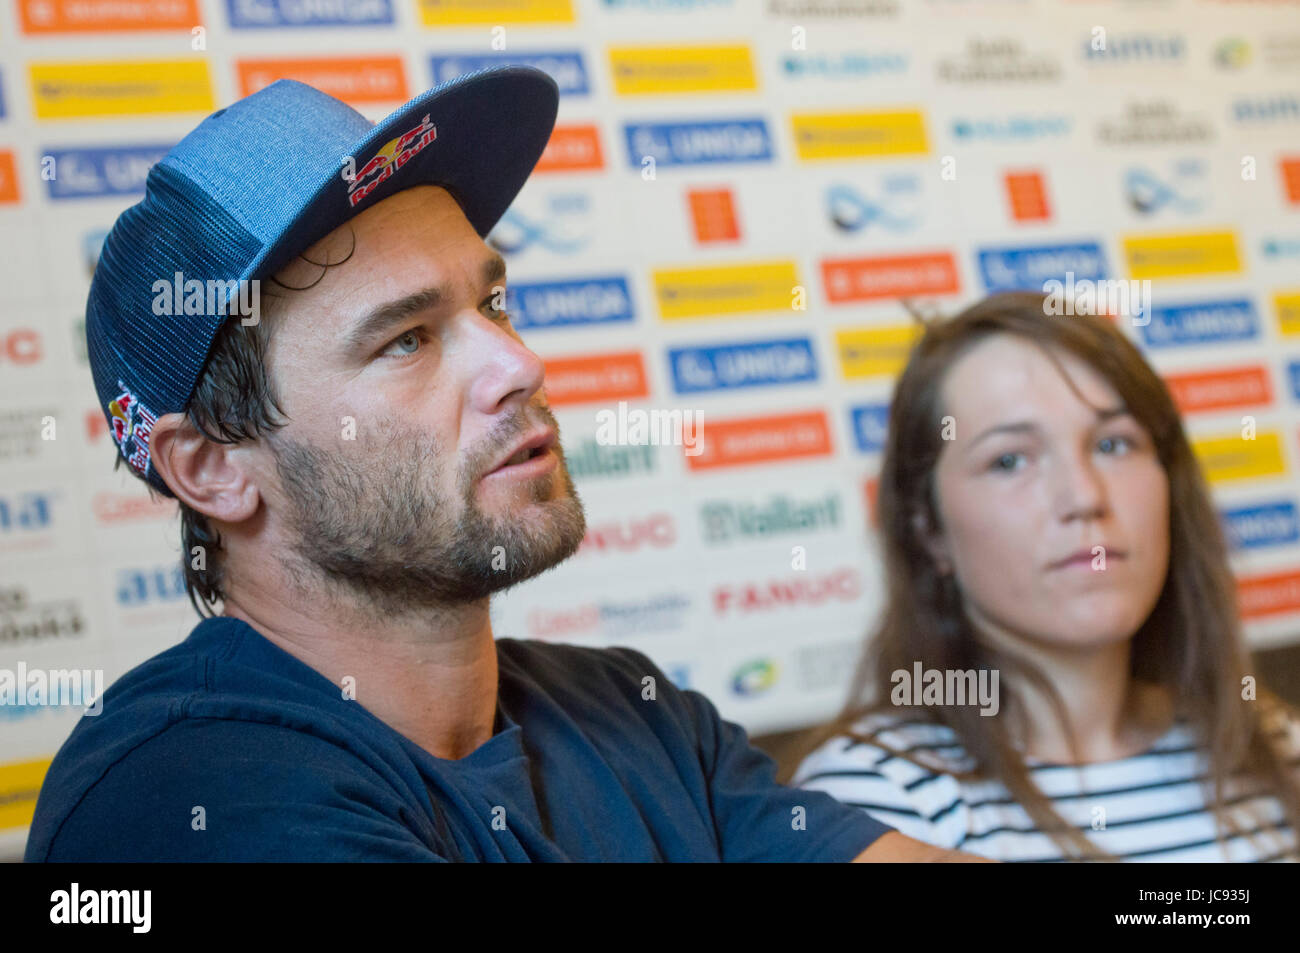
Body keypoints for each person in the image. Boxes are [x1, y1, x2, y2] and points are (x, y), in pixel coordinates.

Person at [24, 67, 986, 862]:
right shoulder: (184, 795)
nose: (519, 365)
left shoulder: (630, 712)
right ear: (211, 469)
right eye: (405, 339)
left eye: (493, 305)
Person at [792, 291, 1300, 861]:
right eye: (1009, 459)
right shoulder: (875, 804)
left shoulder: (1274, 745)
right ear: (929, 529)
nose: (1083, 496)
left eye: (1114, 444)